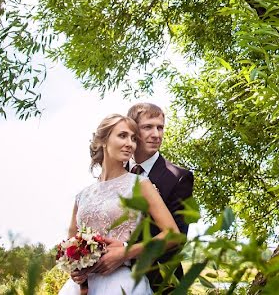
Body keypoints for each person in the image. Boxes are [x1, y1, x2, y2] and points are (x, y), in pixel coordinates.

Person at [57, 114, 180, 295]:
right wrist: (75, 270)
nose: (130, 144)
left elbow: (173, 235)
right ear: (104, 141)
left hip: (120, 283)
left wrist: (126, 253)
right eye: (122, 136)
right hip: (80, 288)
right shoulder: (83, 195)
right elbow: (70, 243)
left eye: (133, 138)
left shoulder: (141, 184)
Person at [125, 102, 194, 291]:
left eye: (160, 127)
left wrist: (124, 254)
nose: (156, 134)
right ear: (132, 130)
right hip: (112, 278)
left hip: (160, 282)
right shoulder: (115, 172)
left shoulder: (179, 178)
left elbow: (178, 238)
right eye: (148, 127)